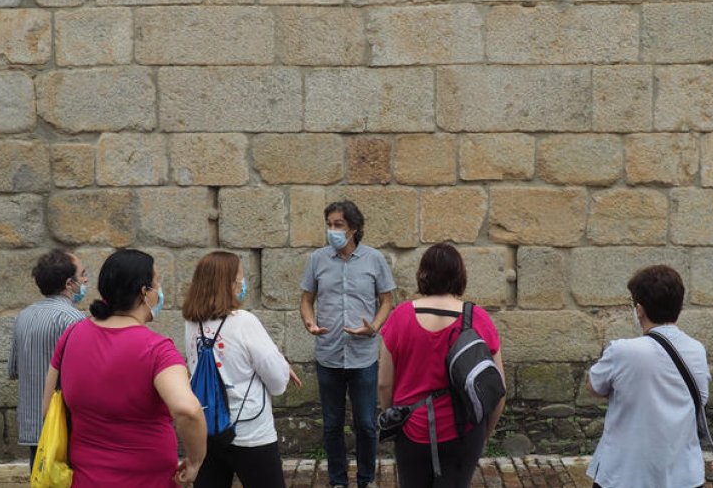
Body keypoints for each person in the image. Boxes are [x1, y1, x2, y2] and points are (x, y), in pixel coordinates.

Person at [43, 248, 206, 487]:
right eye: (157, 283)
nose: (159, 290)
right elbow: (188, 410)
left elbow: (48, 408)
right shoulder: (157, 349)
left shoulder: (71, 335)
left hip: (86, 479)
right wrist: (196, 461)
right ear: (144, 292)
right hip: (148, 480)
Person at [378, 242, 505, 488]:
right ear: (460, 275)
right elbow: (499, 389)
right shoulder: (477, 317)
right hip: (462, 432)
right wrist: (483, 434)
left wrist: (395, 419)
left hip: (412, 429)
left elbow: (384, 384)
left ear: (422, 274)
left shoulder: (400, 316)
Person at [182, 251, 302, 488]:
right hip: (251, 432)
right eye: (240, 277)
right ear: (228, 283)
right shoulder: (244, 322)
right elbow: (278, 384)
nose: (242, 282)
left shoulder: (191, 321)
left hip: (209, 428)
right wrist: (280, 364)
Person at [586, 265, 711, 488]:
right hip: (683, 474)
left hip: (625, 474)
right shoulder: (697, 350)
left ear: (640, 309)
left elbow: (594, 386)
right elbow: (701, 399)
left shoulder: (622, 351)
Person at [300, 200, 396, 488]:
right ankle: (338, 480)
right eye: (329, 224)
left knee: (366, 425)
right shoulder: (317, 259)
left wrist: (374, 327)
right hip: (328, 355)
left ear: (354, 228)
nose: (332, 230)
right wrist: (309, 322)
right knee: (331, 426)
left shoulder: (373, 259)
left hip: (363, 356)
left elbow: (387, 300)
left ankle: (366, 479)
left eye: (338, 225)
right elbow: (306, 299)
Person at [9, 249, 87, 462]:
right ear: (69, 284)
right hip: (62, 424)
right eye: (82, 274)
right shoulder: (74, 319)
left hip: (32, 422)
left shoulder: (23, 316)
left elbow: (14, 369)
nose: (86, 279)